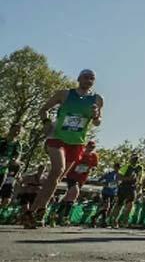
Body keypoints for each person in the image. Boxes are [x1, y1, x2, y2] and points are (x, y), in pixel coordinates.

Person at [23, 69, 103, 228]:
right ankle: (34, 212)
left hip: (77, 143)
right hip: (56, 137)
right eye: (86, 77)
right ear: (79, 78)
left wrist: (95, 115)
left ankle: (35, 210)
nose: (89, 80)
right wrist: (46, 123)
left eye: (92, 78)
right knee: (57, 170)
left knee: (56, 179)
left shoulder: (97, 99)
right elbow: (43, 109)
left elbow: (97, 122)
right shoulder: (65, 94)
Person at [56, 140, 98, 224]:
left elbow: (95, 166)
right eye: (90, 146)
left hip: (82, 178)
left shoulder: (94, 156)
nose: (91, 148)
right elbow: (71, 161)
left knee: (69, 196)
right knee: (75, 192)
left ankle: (56, 213)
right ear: (86, 146)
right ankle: (66, 216)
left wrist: (91, 169)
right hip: (72, 175)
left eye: (93, 147)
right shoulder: (80, 153)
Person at [112, 153, 143, 228]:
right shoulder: (126, 166)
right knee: (119, 204)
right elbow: (118, 177)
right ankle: (114, 221)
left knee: (130, 203)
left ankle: (125, 220)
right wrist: (128, 178)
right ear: (130, 159)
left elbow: (139, 178)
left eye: (137, 158)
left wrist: (139, 187)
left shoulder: (140, 167)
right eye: (134, 158)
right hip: (124, 186)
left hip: (132, 187)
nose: (135, 160)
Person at [0, 123, 23, 193]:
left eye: (18, 131)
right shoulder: (1, 140)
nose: (16, 132)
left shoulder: (18, 144)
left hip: (4, 170)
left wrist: (14, 161)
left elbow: (17, 157)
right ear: (10, 129)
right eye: (15, 130)